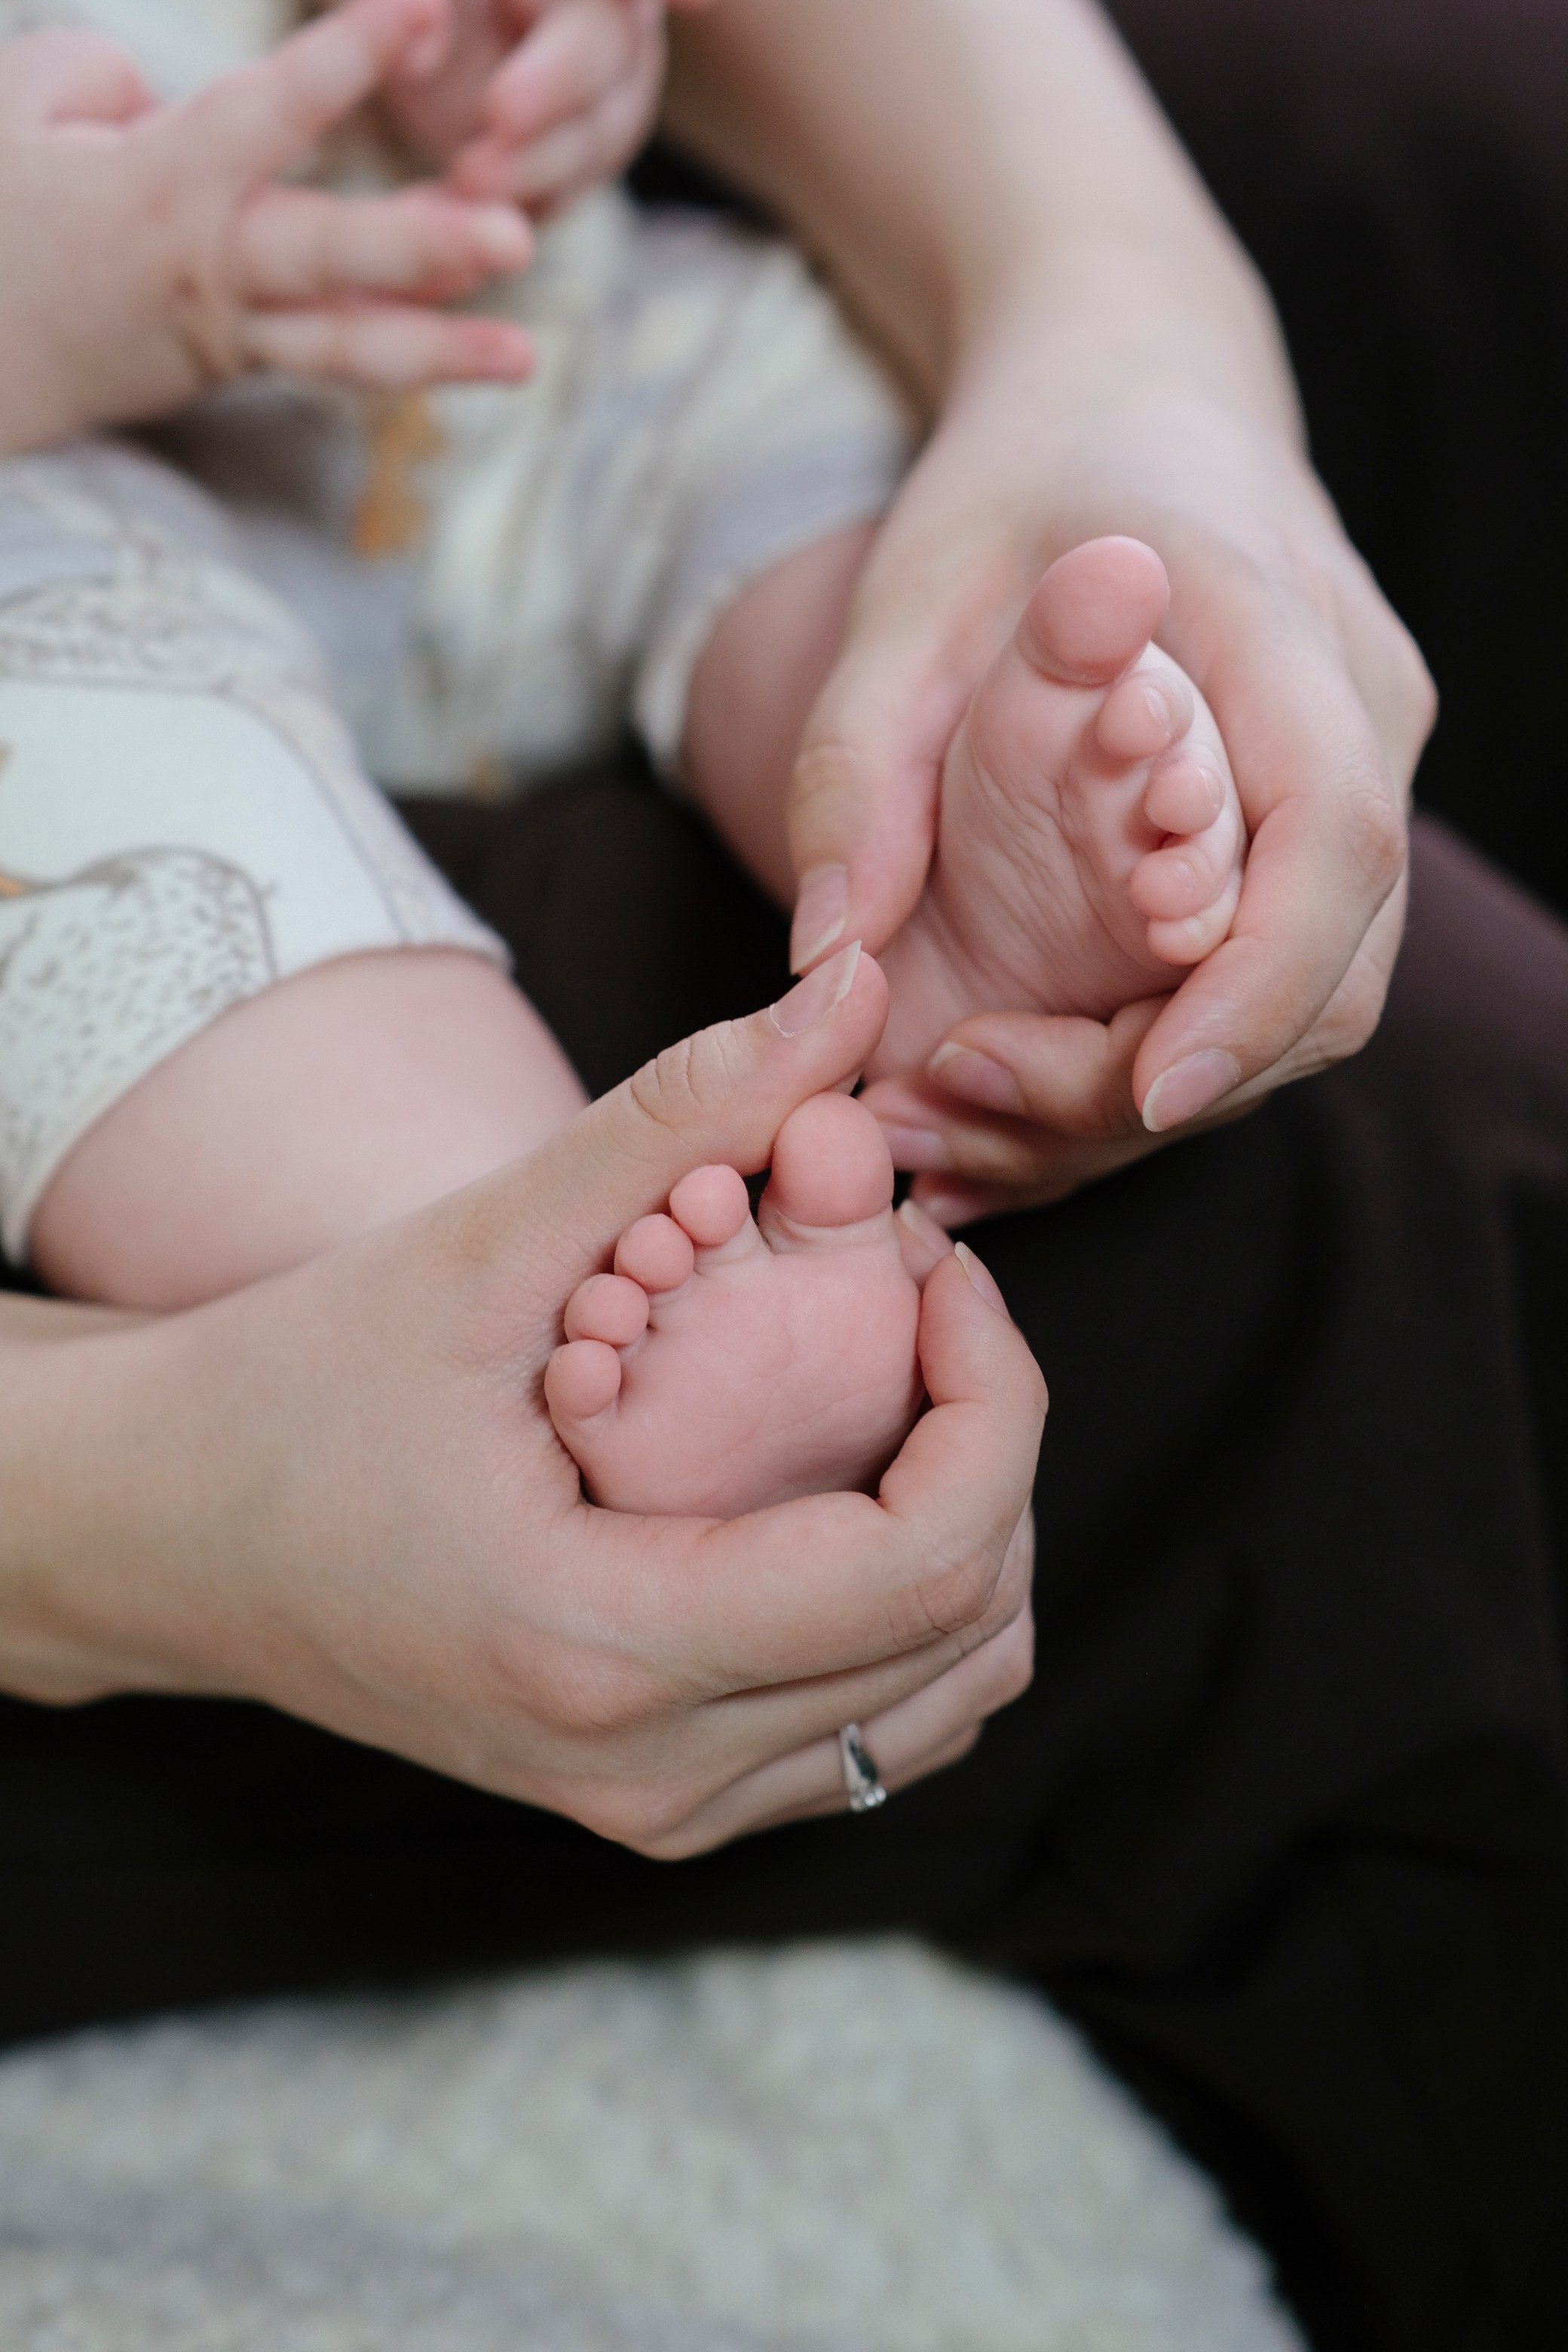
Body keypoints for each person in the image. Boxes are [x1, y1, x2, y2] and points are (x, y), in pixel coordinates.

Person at [2, 5, 1565, 2347]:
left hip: (486, 329)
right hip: (46, 518)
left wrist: (548, 58)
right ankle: (479, 1266)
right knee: (142, 844)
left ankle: (934, 873)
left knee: (805, 455)